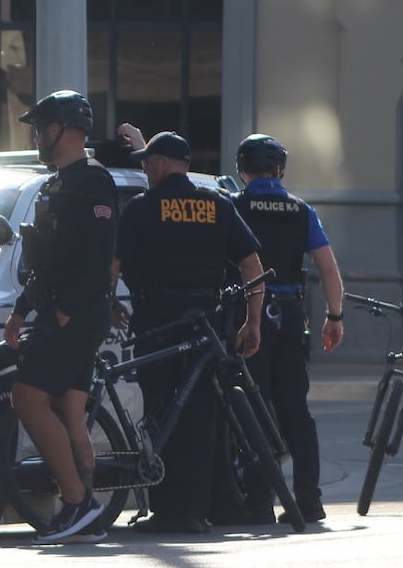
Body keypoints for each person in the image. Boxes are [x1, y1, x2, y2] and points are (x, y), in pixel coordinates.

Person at [112, 130, 265, 534]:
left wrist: (109, 303)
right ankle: (196, 511)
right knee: (200, 415)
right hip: (206, 323)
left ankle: (166, 509)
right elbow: (252, 265)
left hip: (158, 321)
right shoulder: (217, 205)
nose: (144, 169)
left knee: (161, 411)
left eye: (147, 162)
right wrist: (253, 321)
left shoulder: (142, 208)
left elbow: (113, 265)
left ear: (163, 163)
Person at [2, 90, 118, 544]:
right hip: (66, 310)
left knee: (27, 399)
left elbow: (98, 255)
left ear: (62, 129)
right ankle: (84, 513)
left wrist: (67, 311)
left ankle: (76, 502)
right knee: (70, 411)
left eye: (40, 127)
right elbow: (47, 261)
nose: (36, 136)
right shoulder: (58, 183)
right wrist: (19, 312)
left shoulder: (90, 181)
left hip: (77, 313)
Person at [231, 133, 344, 525]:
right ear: (279, 170)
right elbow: (327, 267)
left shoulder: (237, 205)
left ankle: (260, 501)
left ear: (242, 170)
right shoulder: (301, 209)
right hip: (293, 313)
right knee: (296, 408)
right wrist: (335, 316)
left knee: (256, 407)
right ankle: (309, 501)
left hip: (251, 315)